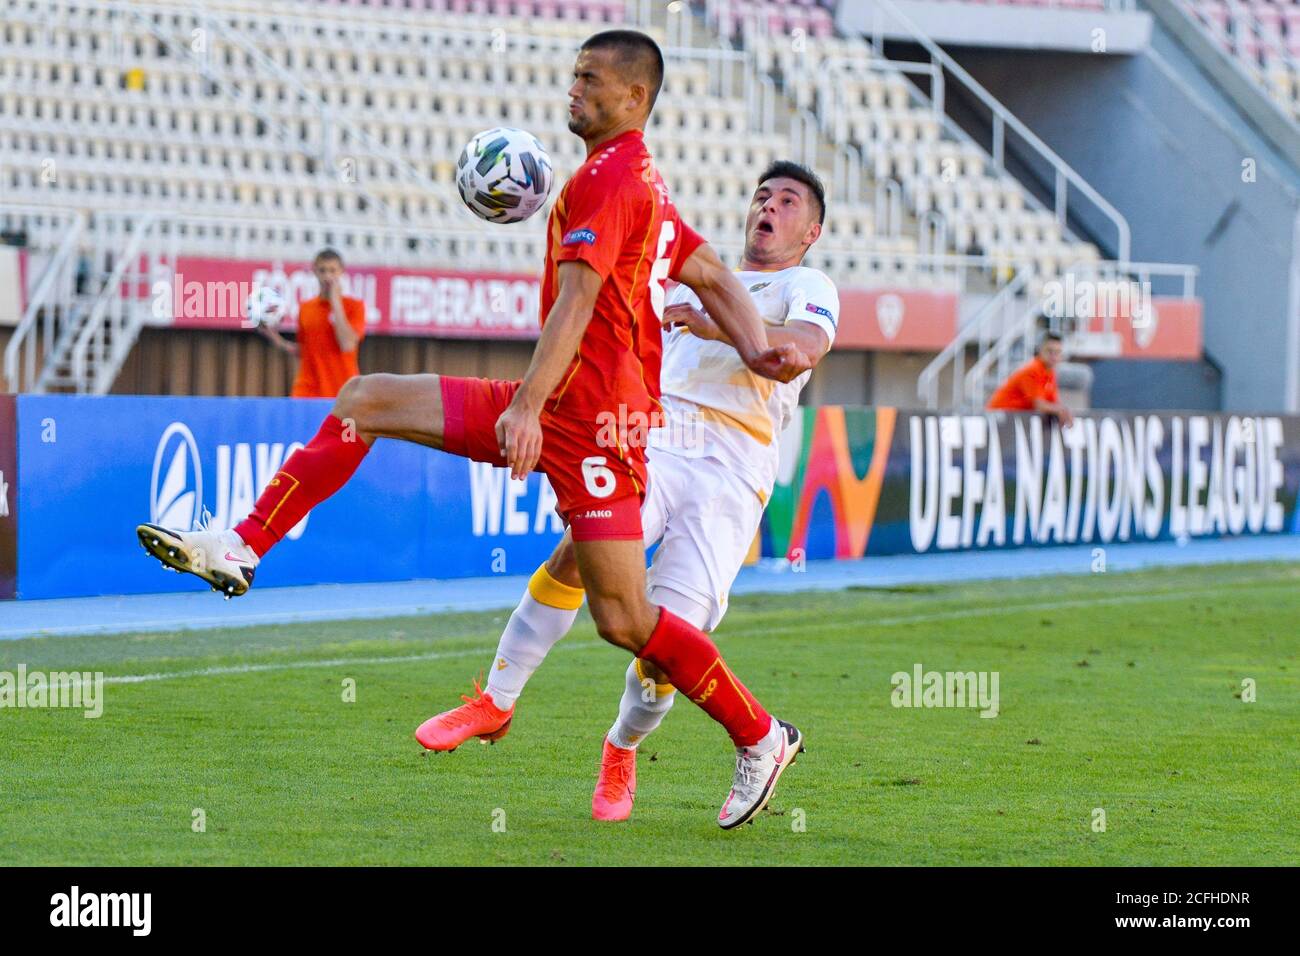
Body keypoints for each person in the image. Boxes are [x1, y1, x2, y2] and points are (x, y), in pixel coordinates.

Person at [135, 30, 814, 830]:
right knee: (364, 400)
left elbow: (578, 303)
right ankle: (244, 546)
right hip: (566, 408)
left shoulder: (610, 179)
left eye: (590, 81)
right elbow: (709, 273)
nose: (573, 91)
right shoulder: (642, 185)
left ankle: (760, 735)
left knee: (625, 621)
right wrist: (756, 346)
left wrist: (526, 407)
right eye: (572, 77)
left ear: (633, 99)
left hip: (595, 429)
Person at [416, 160, 838, 823]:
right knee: (577, 553)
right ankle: (494, 698)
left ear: (810, 229)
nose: (770, 205)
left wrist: (715, 325)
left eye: (787, 201)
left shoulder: (806, 284)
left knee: (662, 652)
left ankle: (621, 747)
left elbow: (799, 351)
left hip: (733, 468)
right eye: (762, 195)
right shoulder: (701, 274)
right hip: (657, 437)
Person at [260, 248, 366, 398]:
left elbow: (347, 344)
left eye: (332, 270)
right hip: (308, 389)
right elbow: (307, 350)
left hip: (341, 390)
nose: (327, 276)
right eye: (322, 270)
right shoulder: (306, 308)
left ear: (341, 272)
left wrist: (335, 302)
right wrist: (276, 339)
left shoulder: (354, 306)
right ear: (315, 271)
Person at [986, 331, 1074, 427]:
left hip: (1013, 419)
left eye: (1057, 352)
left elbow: (1053, 402)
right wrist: (1061, 410)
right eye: (1049, 351)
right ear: (1040, 350)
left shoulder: (1050, 372)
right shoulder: (1032, 370)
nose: (1053, 356)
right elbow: (1039, 405)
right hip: (999, 418)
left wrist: (1062, 410)